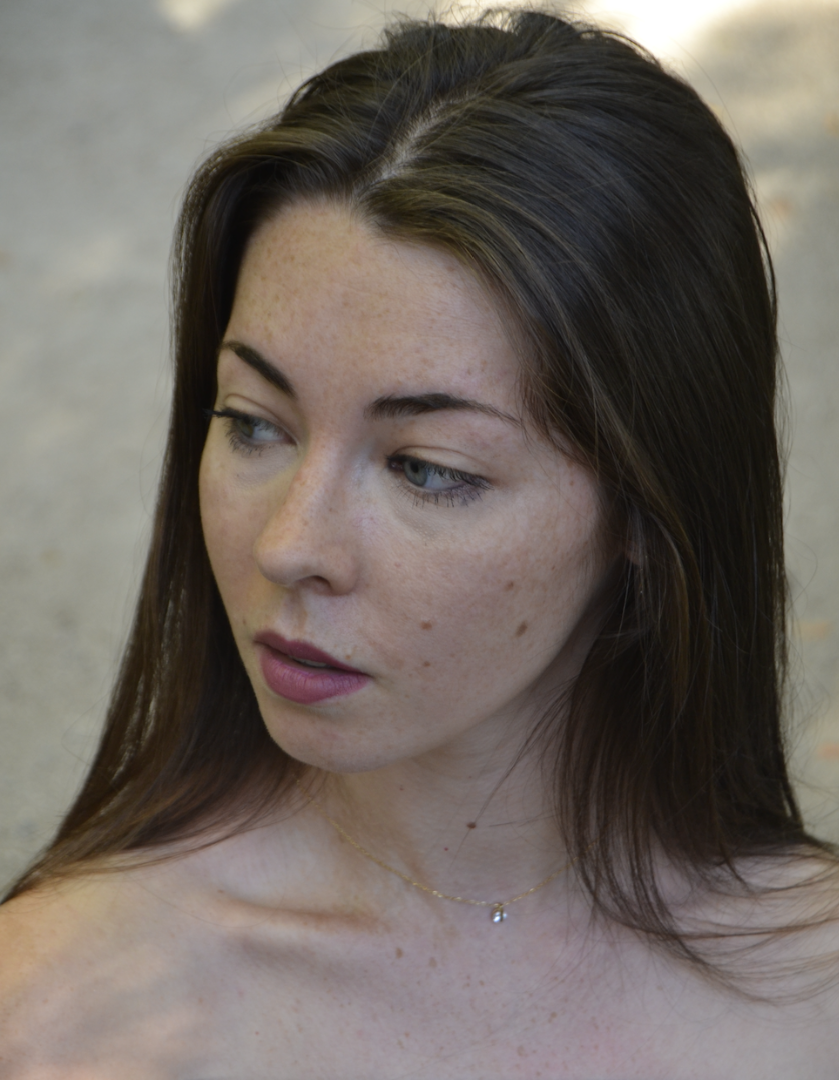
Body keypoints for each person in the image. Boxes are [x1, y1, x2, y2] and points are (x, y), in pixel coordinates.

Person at [1, 7, 838, 1076]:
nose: (290, 546)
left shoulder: (809, 995)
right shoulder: (63, 1022)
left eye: (426, 468)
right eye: (253, 424)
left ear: (647, 502)